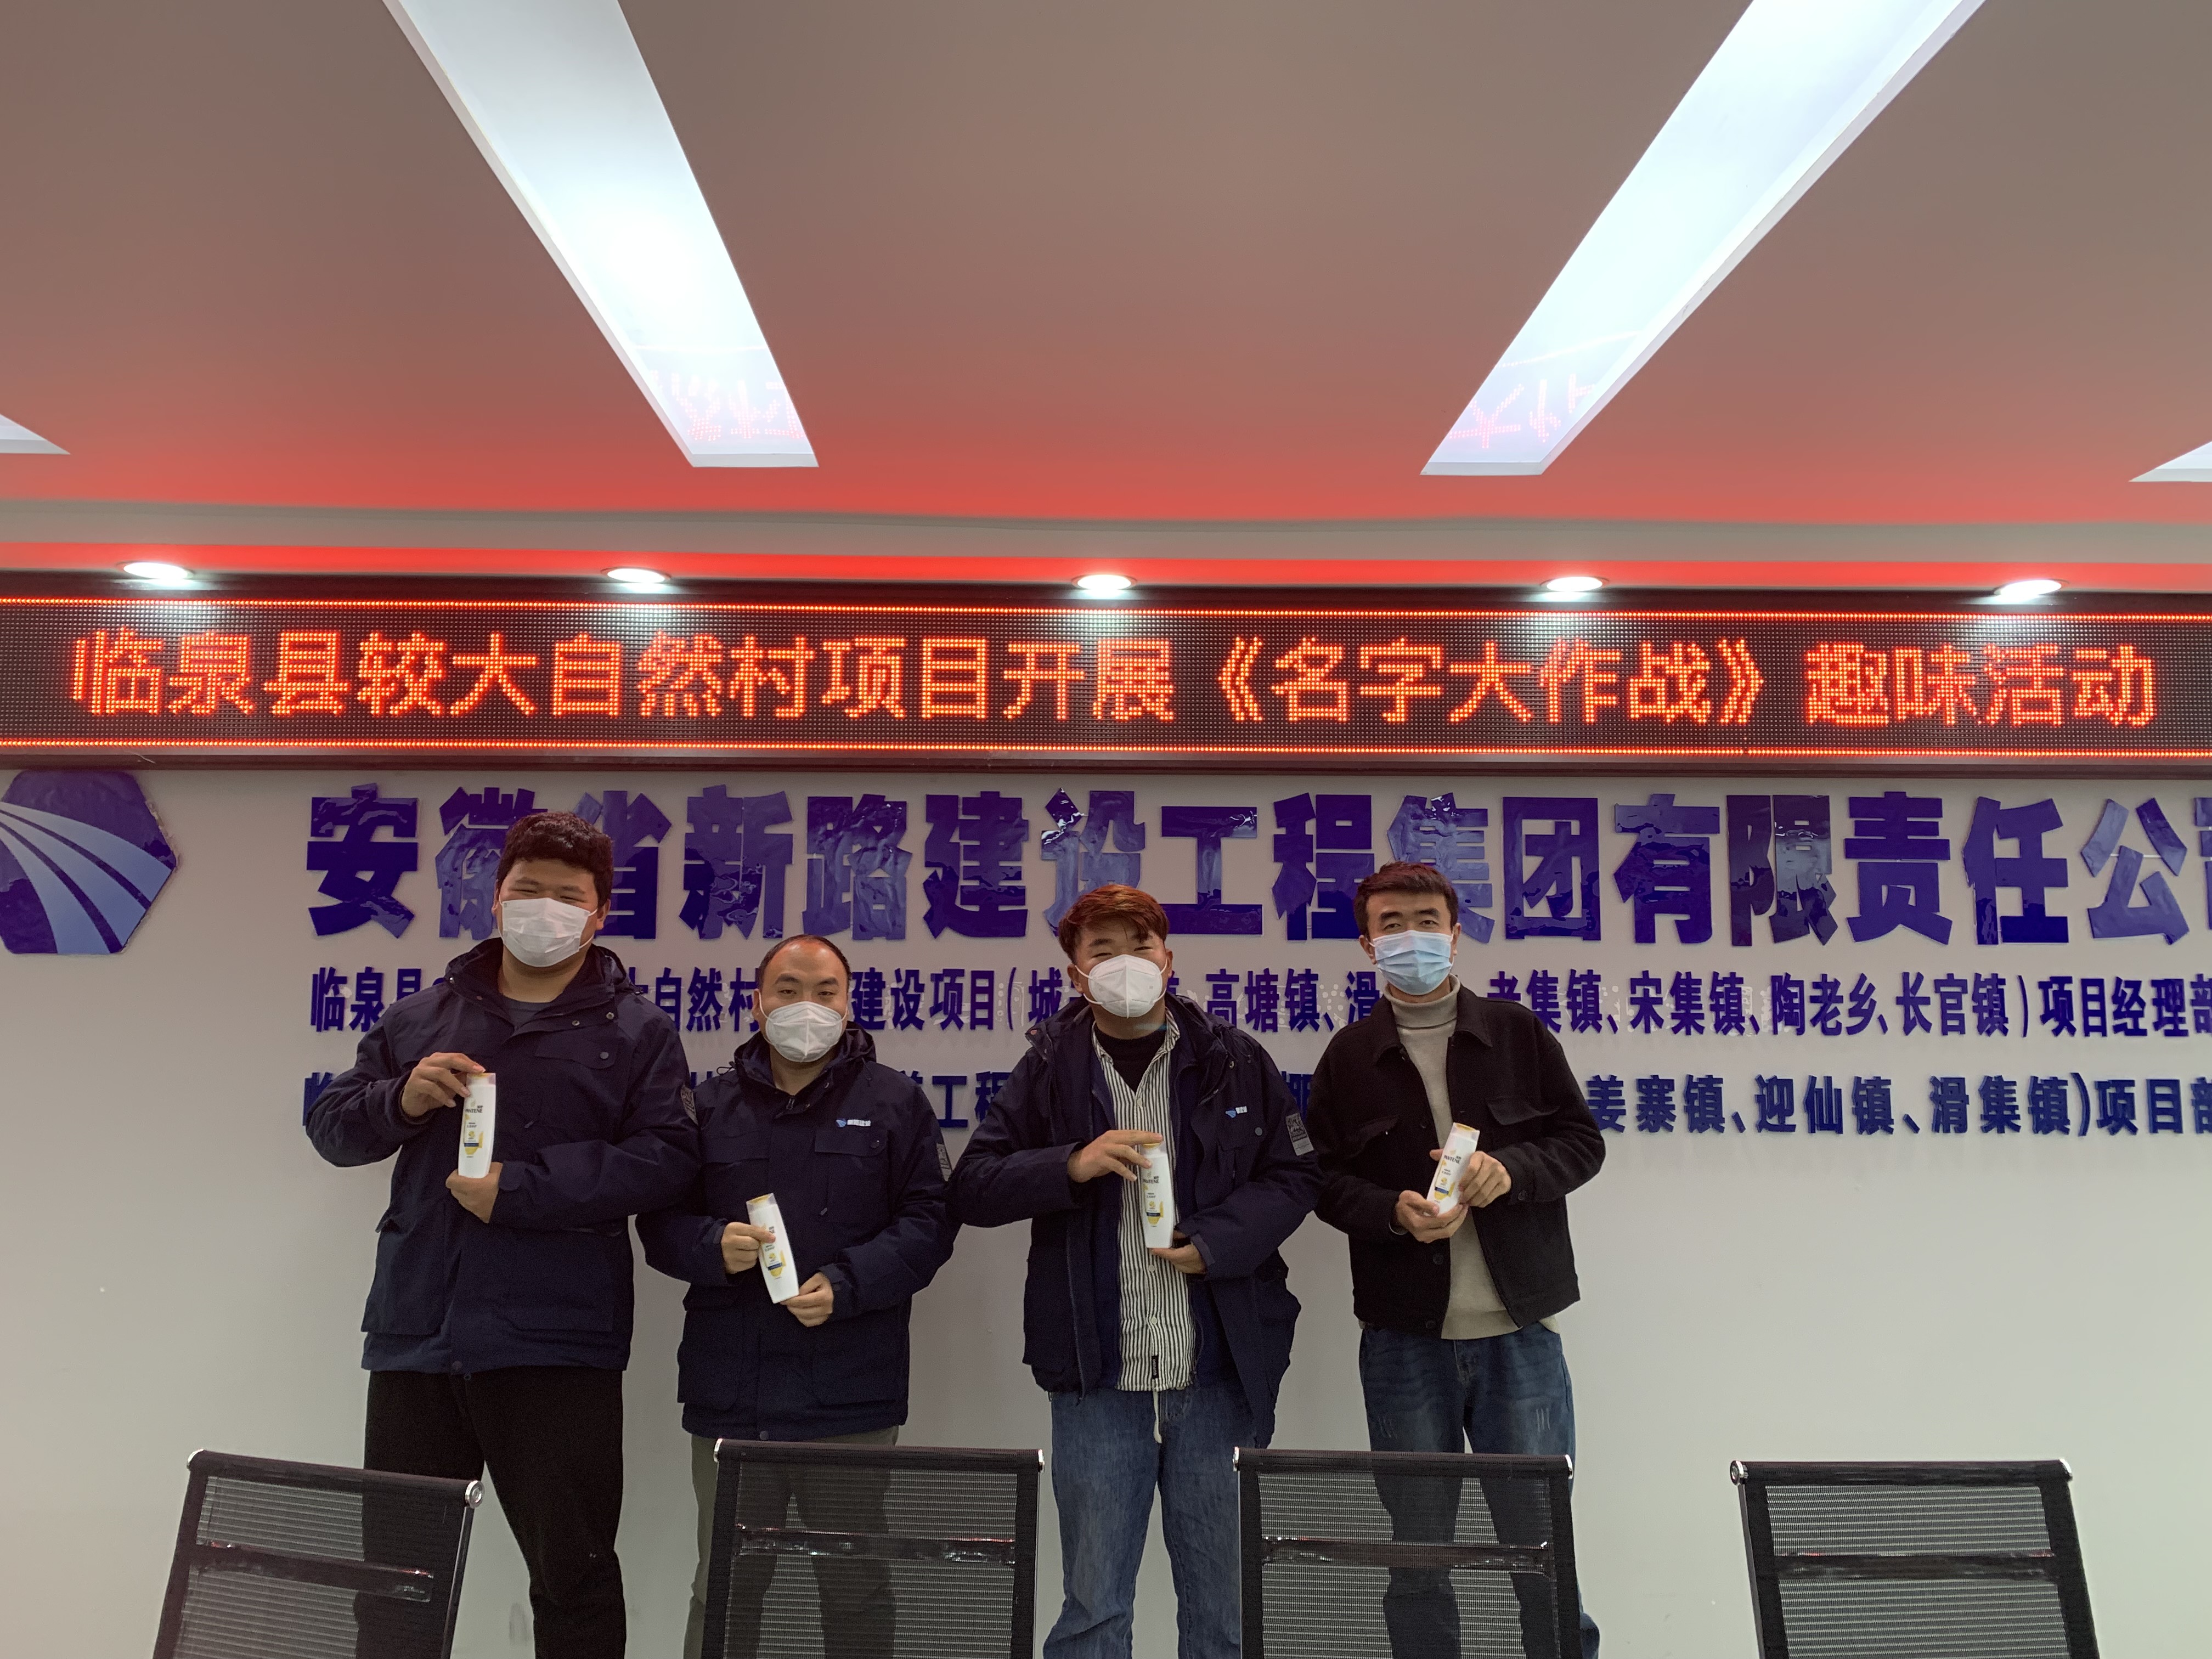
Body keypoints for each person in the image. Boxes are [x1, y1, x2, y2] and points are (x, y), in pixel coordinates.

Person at [306, 810, 695, 1659]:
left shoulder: (638, 1032)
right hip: (421, 1334)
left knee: (574, 1580)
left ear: (599, 915)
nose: (543, 909)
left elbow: (667, 1161)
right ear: (495, 899)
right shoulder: (422, 1019)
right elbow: (333, 1130)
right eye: (528, 891)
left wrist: (522, 1190)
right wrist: (400, 1099)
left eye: (568, 897)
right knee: (397, 1585)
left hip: (556, 1342)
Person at [950, 883, 1319, 1659]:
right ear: (1076, 974)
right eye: (1103, 950)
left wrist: (1219, 1241)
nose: (1126, 962)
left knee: (1224, 1609)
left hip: (1217, 1372)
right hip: (1098, 1379)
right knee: (1093, 1606)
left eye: (1140, 945)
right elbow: (974, 1186)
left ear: (1168, 958)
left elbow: (1295, 1176)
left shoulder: (1234, 1059)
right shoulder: (1047, 1068)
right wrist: (1070, 1164)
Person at [1305, 860, 1607, 1659]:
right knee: (1418, 1555)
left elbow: (1582, 1143)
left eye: (1427, 921)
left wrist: (1513, 1172)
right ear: (1367, 944)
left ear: (1456, 933)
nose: (1412, 937)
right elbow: (1320, 1180)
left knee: (1542, 1547)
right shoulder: (1349, 1057)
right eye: (1392, 924)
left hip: (1519, 1333)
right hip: (1405, 1340)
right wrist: (1389, 1212)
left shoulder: (1516, 1034)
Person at [638, 934, 954, 1659]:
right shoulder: (706, 1106)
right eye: (787, 990)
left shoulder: (895, 1102)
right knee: (726, 1587)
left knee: (854, 1585)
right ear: (757, 1003)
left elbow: (931, 1222)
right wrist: (710, 1246)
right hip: (733, 1392)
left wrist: (849, 1284)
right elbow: (658, 1219)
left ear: (849, 1004)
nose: (806, 1006)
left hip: (850, 1393)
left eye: (824, 992)